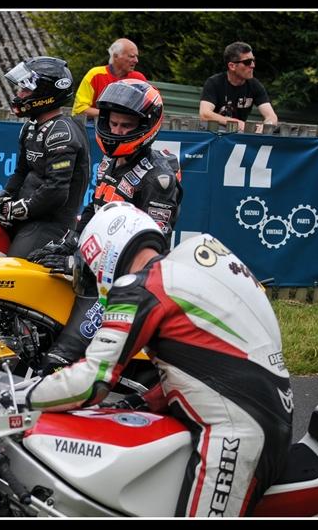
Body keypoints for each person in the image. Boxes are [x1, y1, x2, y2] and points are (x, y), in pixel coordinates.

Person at [22, 201, 294, 517]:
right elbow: (210, 364)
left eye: (89, 268)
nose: (92, 279)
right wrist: (137, 404)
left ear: (105, 252)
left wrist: (17, 395)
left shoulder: (142, 286)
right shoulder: (189, 265)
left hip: (235, 435)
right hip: (266, 419)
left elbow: (91, 382)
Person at [29, 78, 183, 374]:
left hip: (119, 288)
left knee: (55, 364)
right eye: (113, 123)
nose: (116, 131)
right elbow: (94, 209)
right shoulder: (110, 163)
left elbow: (148, 254)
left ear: (145, 125)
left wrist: (77, 261)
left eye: (126, 126)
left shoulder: (157, 180)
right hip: (90, 272)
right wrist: (70, 242)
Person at [0, 56, 91, 258]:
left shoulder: (62, 133)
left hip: (51, 224)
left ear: (46, 94)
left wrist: (15, 209)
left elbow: (56, 191)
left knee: (10, 271)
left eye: (25, 89)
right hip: (25, 218)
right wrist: (3, 197)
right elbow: (21, 172)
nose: (19, 94)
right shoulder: (30, 127)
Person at [199, 42, 279, 132]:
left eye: (253, 60)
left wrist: (266, 126)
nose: (253, 65)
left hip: (238, 136)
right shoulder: (214, 82)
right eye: (247, 62)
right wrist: (236, 123)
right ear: (232, 66)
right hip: (214, 135)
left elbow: (271, 116)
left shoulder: (255, 85)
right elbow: (204, 114)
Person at [71, 38, 146, 120]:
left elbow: (149, 106)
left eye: (136, 56)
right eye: (131, 56)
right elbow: (79, 110)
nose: (136, 60)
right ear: (116, 56)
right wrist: (112, 115)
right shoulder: (95, 75)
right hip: (95, 126)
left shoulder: (139, 79)